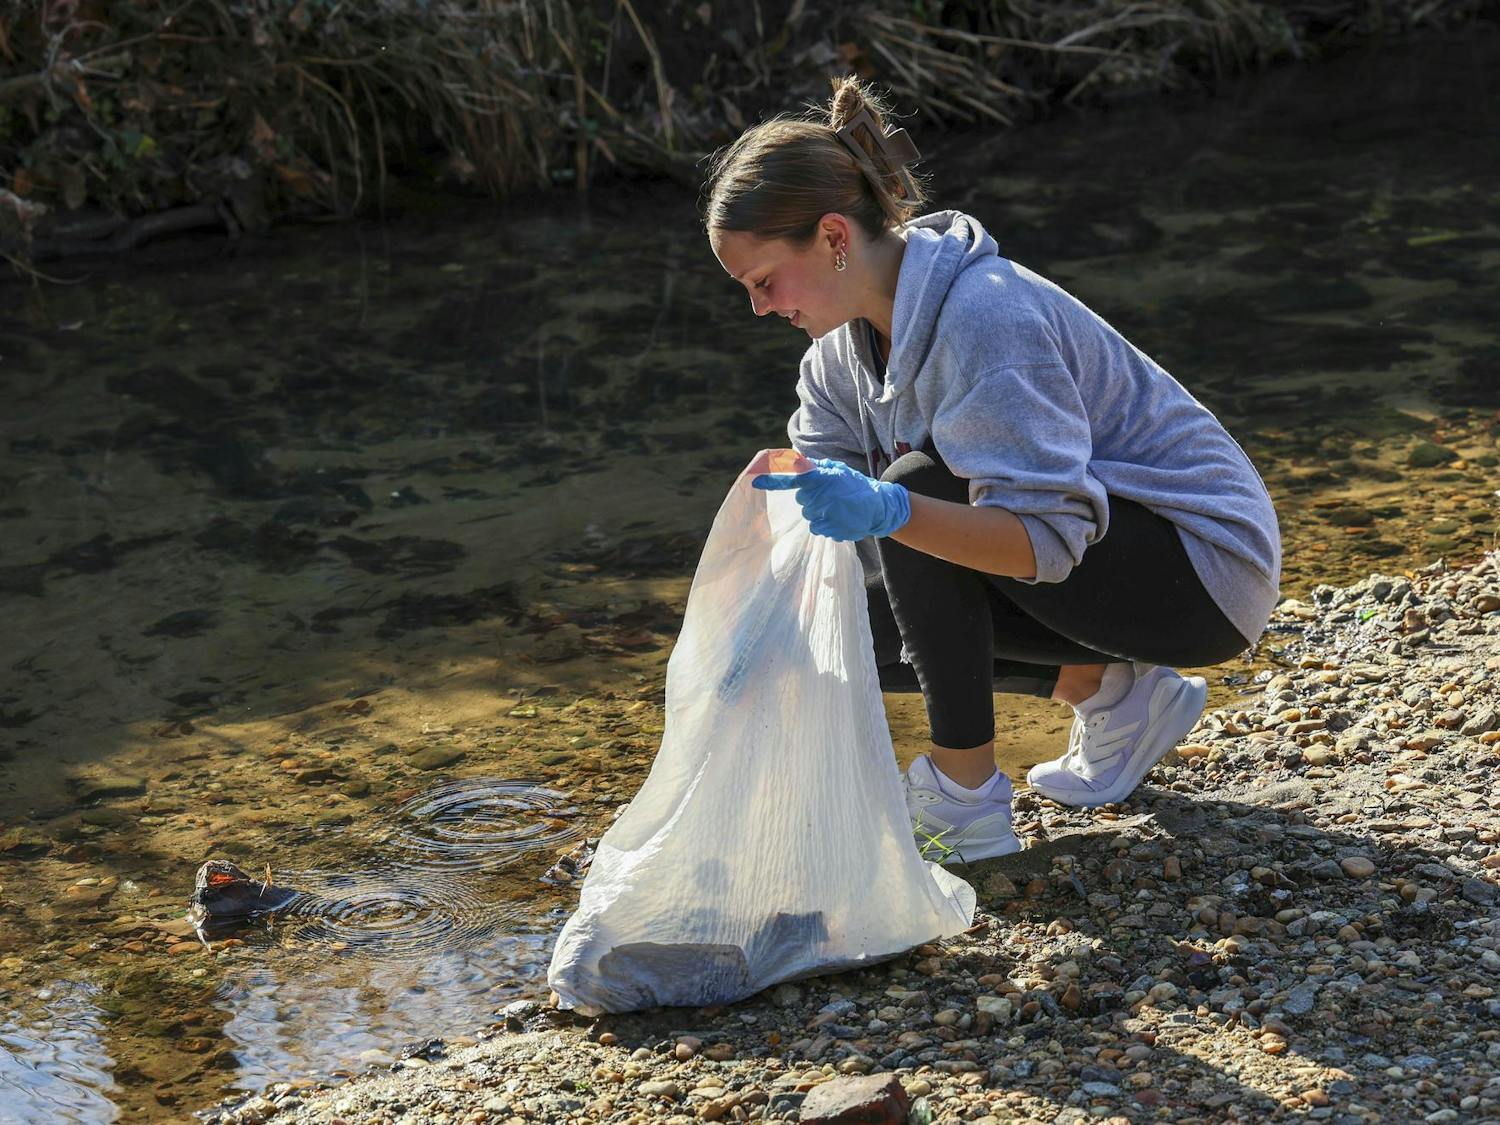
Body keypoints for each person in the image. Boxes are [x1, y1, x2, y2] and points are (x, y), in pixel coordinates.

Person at [703, 77, 1281, 864]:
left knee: (910, 489)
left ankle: (965, 800)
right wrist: (755, 618)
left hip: (1205, 569)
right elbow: (833, 537)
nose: (759, 308)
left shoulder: (984, 316)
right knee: (834, 629)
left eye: (763, 281)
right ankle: (1114, 693)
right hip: (1095, 561)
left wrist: (892, 511)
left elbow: (1044, 540)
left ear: (835, 237)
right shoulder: (836, 360)